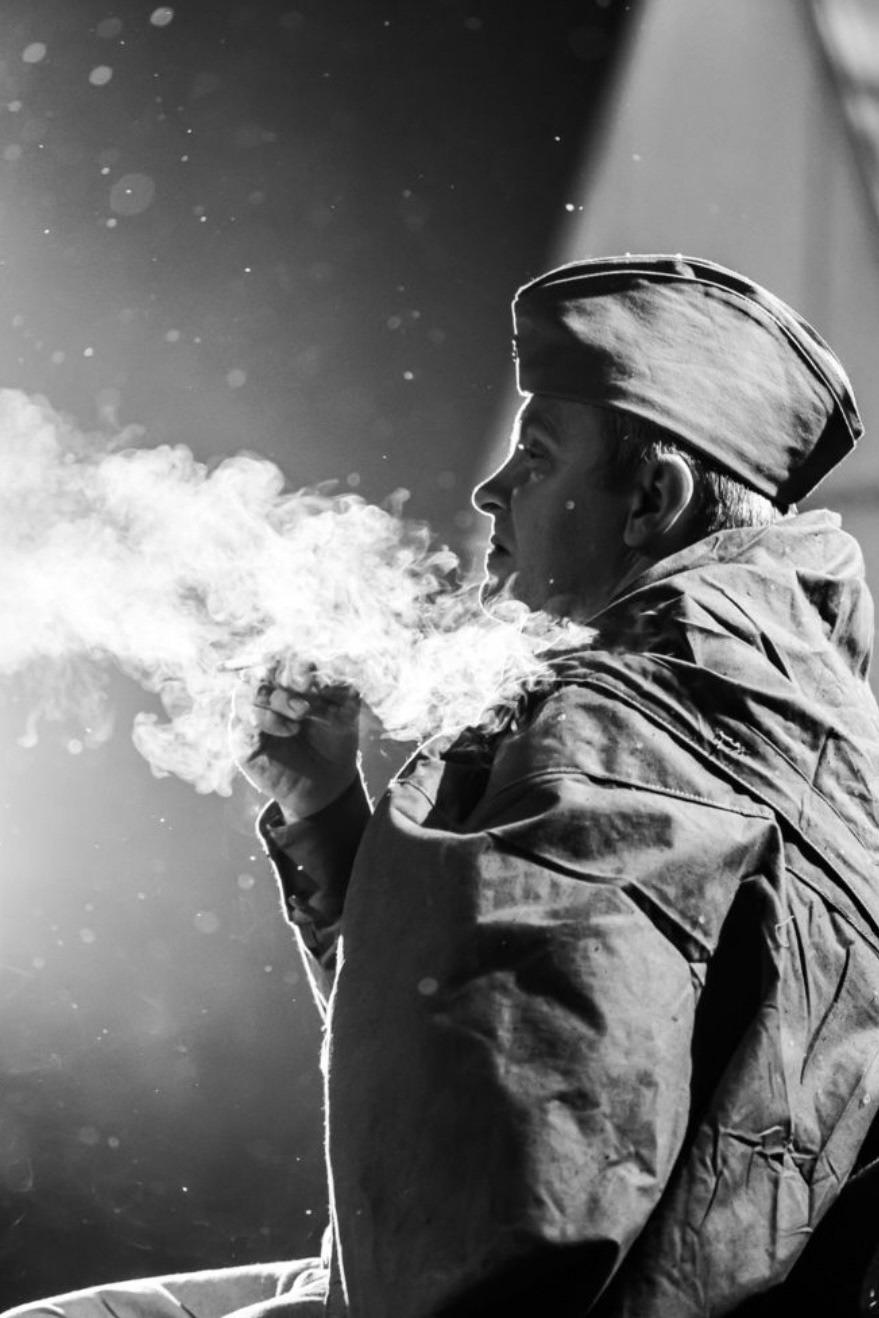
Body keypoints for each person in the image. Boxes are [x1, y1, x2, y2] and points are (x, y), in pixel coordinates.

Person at [9, 254, 879, 1317]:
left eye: (538, 456)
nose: (489, 491)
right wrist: (328, 811)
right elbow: (476, 1033)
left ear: (653, 498)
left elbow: (517, 1179)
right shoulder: (795, 722)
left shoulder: (614, 723)